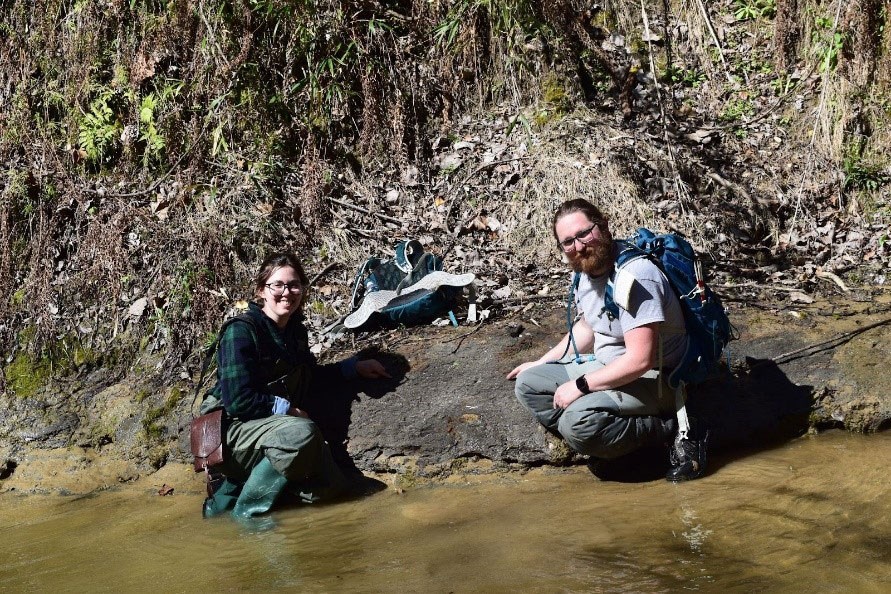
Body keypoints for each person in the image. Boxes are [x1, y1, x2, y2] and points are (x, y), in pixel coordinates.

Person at [506, 199, 708, 481]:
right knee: (529, 384)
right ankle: (608, 443)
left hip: (657, 378)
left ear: (603, 226)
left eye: (583, 234)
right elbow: (588, 327)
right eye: (567, 242)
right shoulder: (586, 274)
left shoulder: (636, 277)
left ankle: (666, 428)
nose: (578, 246)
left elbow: (641, 359)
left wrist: (580, 386)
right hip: (607, 366)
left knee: (578, 423)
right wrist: (540, 362)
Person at [199, 252, 391, 518]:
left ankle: (230, 498)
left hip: (272, 431)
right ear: (261, 291)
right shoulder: (241, 331)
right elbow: (238, 401)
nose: (286, 292)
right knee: (302, 433)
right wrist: (288, 409)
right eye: (277, 285)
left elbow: (309, 377)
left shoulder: (294, 332)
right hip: (233, 434)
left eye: (294, 285)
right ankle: (246, 514)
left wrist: (353, 367)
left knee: (333, 489)